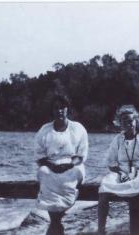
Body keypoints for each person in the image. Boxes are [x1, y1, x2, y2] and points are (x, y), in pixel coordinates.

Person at [98, 105, 139, 235]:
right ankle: (101, 230)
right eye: (125, 121)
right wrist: (121, 173)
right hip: (121, 173)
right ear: (121, 124)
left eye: (131, 121)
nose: (128, 124)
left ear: (136, 121)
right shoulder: (117, 140)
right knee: (103, 188)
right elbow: (111, 162)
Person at [34, 94, 89, 235]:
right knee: (43, 173)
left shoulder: (78, 128)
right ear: (52, 110)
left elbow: (81, 155)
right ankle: (56, 223)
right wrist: (52, 166)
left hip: (72, 165)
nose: (59, 111)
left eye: (62, 107)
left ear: (67, 109)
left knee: (73, 174)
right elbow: (40, 157)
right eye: (56, 108)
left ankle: (55, 223)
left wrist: (69, 165)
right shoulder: (44, 130)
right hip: (51, 166)